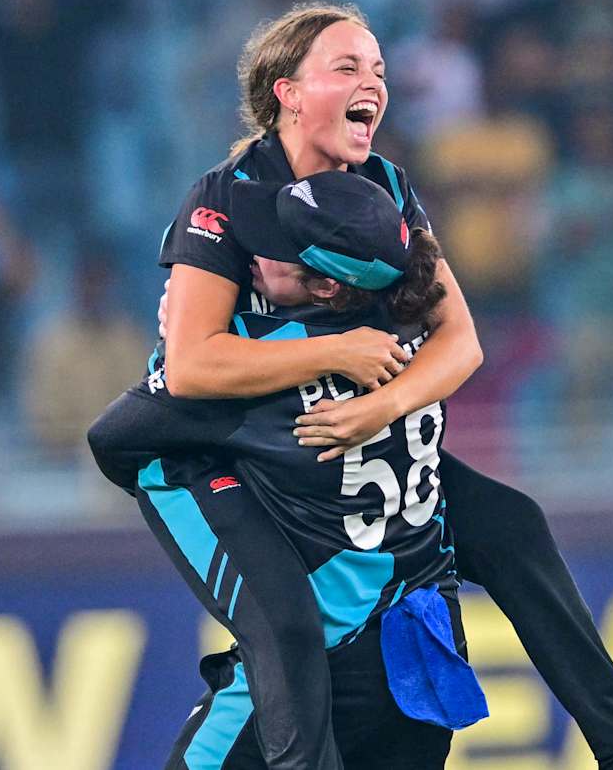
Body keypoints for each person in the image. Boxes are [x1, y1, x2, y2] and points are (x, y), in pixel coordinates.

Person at [154, 2, 613, 770]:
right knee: (298, 642)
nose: (374, 84)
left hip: (364, 453)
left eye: (379, 70)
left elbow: (459, 339)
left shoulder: (385, 187)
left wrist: (380, 404)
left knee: (508, 524)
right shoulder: (223, 201)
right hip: (263, 464)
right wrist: (337, 357)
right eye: (348, 67)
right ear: (288, 92)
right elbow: (190, 367)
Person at [92, 171, 477, 768]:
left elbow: (114, 438)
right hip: (424, 657)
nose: (251, 248)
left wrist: (182, 343)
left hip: (315, 664)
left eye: (274, 246)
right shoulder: (420, 331)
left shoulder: (263, 355)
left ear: (324, 286)